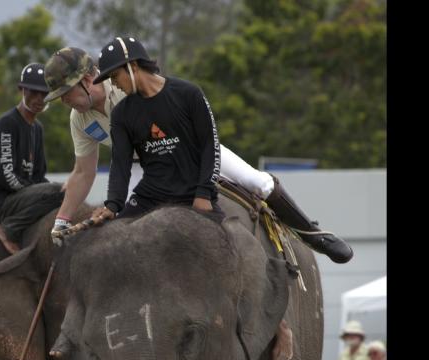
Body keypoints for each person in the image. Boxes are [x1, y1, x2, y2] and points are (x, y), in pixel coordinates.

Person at [42, 40, 353, 264]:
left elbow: (186, 122)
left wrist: (201, 188)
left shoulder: (126, 85)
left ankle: (314, 235)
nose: (63, 102)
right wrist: (62, 221)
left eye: (65, 94)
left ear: (84, 81)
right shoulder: (79, 120)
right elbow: (84, 171)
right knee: (127, 227)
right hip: (149, 165)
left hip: (189, 147)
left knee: (259, 183)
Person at [0, 62, 64, 255]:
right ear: (21, 90)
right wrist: (38, 191)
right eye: (33, 92)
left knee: (63, 191)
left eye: (44, 94)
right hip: (0, 200)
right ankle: (8, 229)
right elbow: (4, 175)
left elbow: (39, 175)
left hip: (21, 194)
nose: (39, 99)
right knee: (61, 190)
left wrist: (41, 190)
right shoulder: (7, 123)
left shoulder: (37, 128)